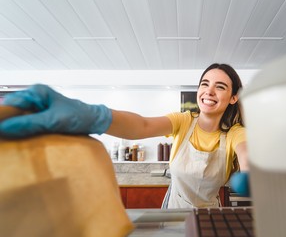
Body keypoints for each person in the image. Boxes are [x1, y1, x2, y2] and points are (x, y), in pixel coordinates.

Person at [0, 63, 249, 208]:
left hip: (209, 215)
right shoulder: (183, 121)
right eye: (204, 83)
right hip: (173, 210)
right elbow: (140, 125)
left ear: (233, 97)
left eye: (220, 86)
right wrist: (93, 115)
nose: (209, 91)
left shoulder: (235, 134)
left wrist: (250, 171)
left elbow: (246, 151)